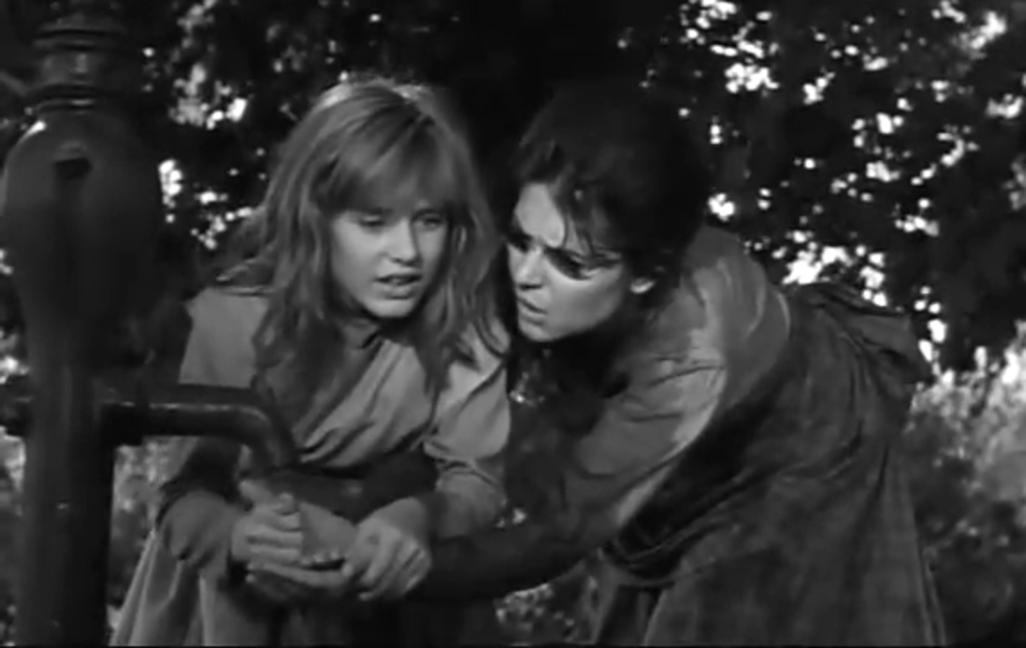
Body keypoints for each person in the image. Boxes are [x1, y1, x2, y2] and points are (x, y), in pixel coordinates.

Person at [260, 80, 948, 646]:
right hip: (680, 457)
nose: (528, 277)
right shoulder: (522, 252)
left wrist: (395, 564)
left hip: (800, 456)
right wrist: (397, 510)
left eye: (569, 264)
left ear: (645, 274)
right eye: (523, 242)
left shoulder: (690, 353)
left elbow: (559, 534)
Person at [112, 77, 509, 646]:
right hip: (231, 605)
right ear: (316, 219)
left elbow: (477, 482)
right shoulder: (235, 322)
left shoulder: (462, 327)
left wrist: (420, 516)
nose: (407, 253)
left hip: (395, 602)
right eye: (374, 222)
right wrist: (240, 537)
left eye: (429, 221)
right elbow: (182, 495)